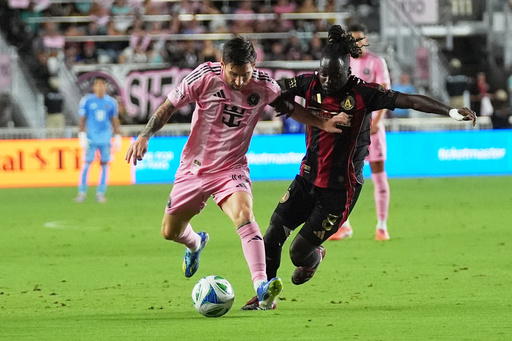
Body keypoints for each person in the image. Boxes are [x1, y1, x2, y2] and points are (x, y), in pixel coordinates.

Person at [241, 25, 476, 310]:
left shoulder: (364, 93)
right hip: (307, 177)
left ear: (347, 71)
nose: (327, 80)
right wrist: (284, 104)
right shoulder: (310, 83)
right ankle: (265, 296)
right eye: (323, 73)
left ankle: (314, 258)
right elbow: (273, 90)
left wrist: (450, 111)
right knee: (273, 232)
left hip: (339, 190)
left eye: (334, 75)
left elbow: (408, 100)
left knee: (298, 252)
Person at [124, 36, 346, 310]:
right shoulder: (204, 77)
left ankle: (262, 286)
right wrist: (144, 136)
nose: (240, 81)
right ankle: (196, 243)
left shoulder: (264, 86)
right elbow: (169, 106)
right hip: (193, 168)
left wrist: (324, 122)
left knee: (244, 216)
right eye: (234, 74)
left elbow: (290, 109)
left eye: (246, 74)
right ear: (222, 64)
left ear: (254, 65)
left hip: (231, 168)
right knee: (170, 232)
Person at [329, 23, 391, 241]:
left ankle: (381, 226)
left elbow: (385, 92)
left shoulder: (376, 62)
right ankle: (343, 225)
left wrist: (377, 121)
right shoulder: (343, 63)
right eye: (353, 39)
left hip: (373, 127)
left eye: (360, 39)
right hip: (350, 128)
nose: (358, 43)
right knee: (343, 175)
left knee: (378, 171)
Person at [75, 77, 122, 203]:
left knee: (105, 166)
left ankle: (100, 193)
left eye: (103, 85)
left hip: (106, 138)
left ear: (105, 87)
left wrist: (117, 136)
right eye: (98, 85)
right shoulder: (87, 101)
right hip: (91, 138)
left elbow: (114, 120)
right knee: (86, 165)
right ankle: (82, 192)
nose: (100, 87)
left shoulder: (111, 102)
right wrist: (82, 134)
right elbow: (83, 119)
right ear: (94, 87)